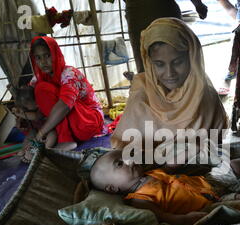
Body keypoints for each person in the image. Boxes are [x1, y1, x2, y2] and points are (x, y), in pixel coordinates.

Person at [110, 18, 229, 151]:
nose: (169, 73)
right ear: (149, 63)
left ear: (191, 58)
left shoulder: (205, 96)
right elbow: (124, 150)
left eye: (177, 62)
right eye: (159, 64)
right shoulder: (141, 95)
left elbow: (215, 146)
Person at [89, 149, 240, 225]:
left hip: (209, 182)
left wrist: (177, 160)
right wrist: (185, 219)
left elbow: (169, 168)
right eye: (120, 164)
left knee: (236, 163)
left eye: (126, 156)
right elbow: (165, 218)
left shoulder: (149, 174)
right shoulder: (139, 200)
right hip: (209, 205)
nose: (130, 160)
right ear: (112, 189)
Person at [28, 36, 105, 157]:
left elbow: (64, 106)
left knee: (46, 91)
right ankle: (59, 136)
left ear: (55, 54)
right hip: (72, 123)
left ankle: (66, 140)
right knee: (40, 89)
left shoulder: (69, 74)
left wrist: (41, 133)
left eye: (47, 55)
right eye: (38, 58)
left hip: (87, 121)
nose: (43, 61)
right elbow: (32, 101)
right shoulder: (39, 78)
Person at [124, 0, 208, 73]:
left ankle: (151, 89)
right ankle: (189, 90)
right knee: (180, 62)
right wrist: (198, 5)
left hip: (137, 14)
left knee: (146, 66)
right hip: (164, 9)